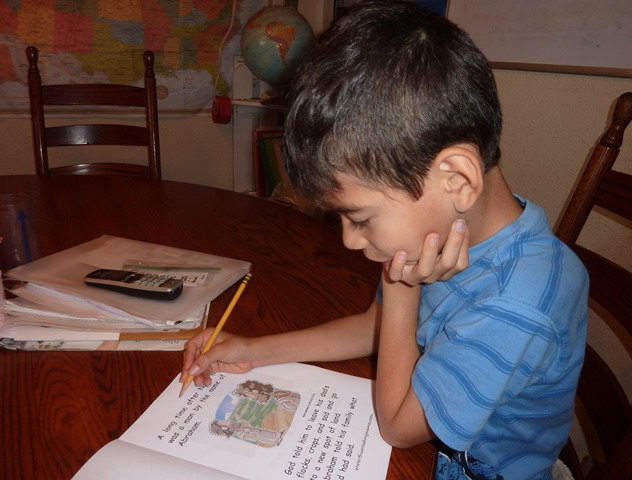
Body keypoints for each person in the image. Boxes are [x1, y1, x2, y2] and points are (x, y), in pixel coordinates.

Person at [182, 1, 588, 478]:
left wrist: (402, 288)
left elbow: (397, 425)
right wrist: (254, 351)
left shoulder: (518, 301)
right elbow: (376, 328)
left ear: (457, 179)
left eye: (360, 217)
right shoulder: (440, 235)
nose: (350, 241)